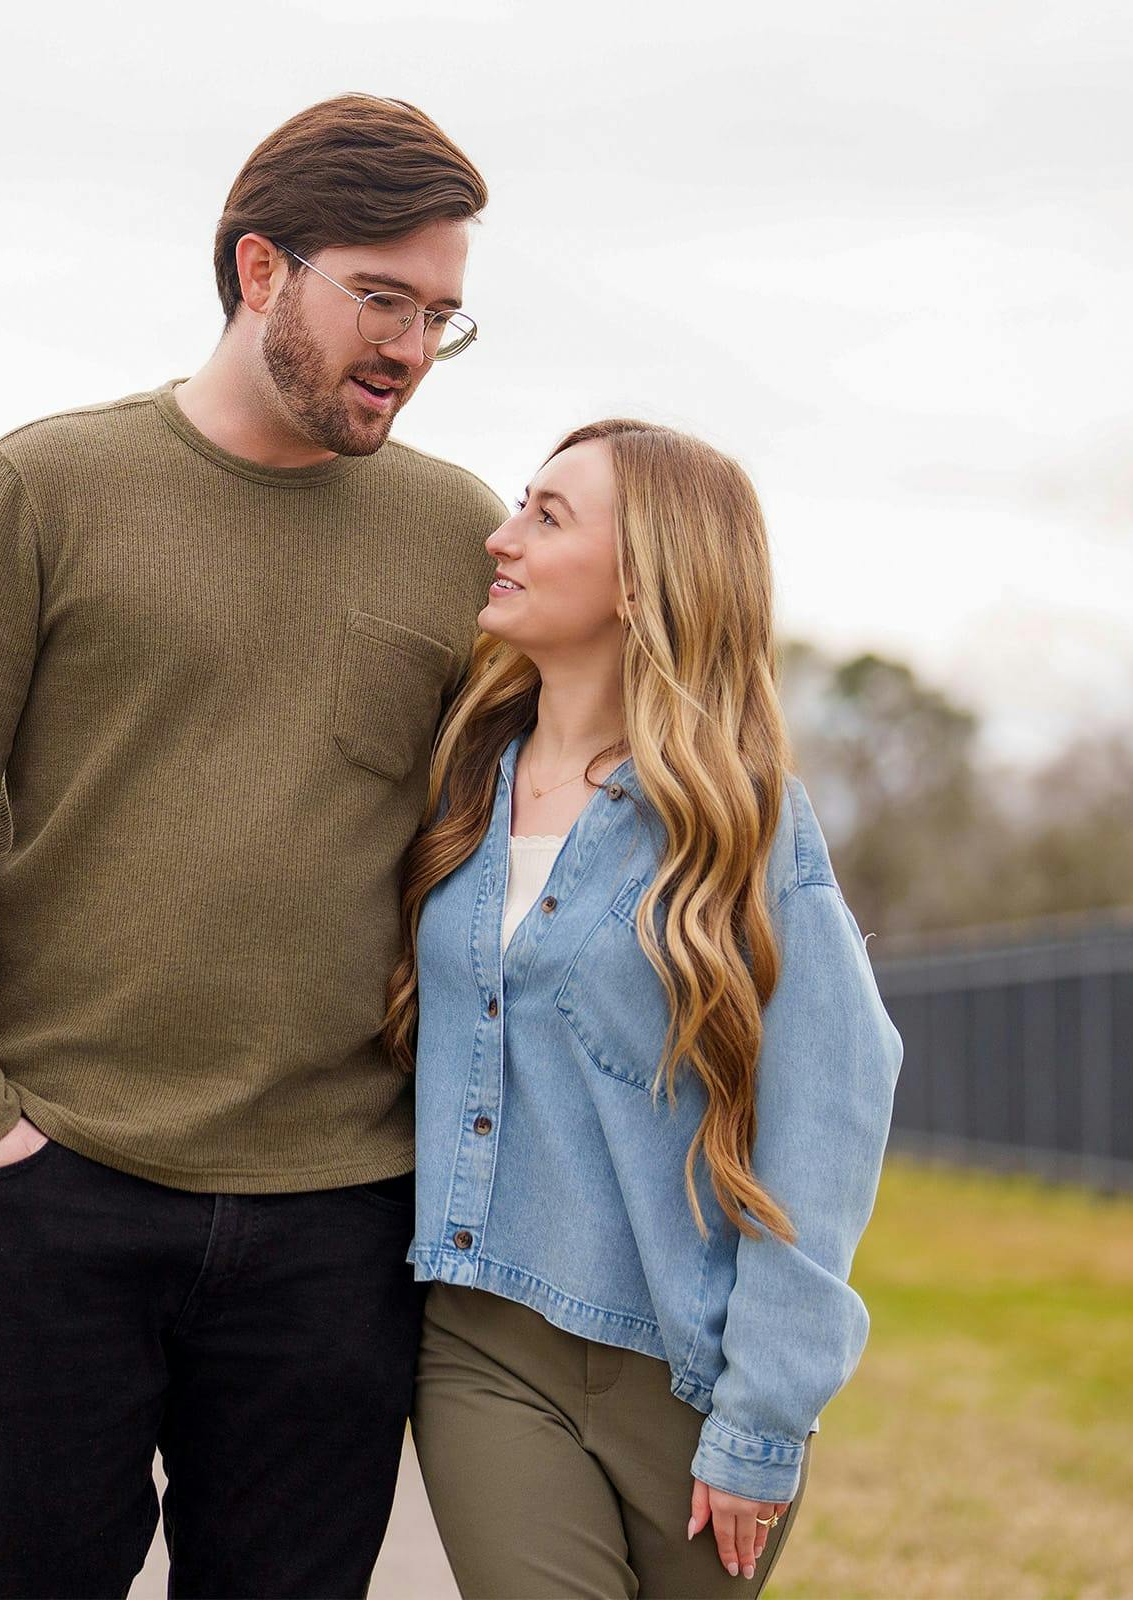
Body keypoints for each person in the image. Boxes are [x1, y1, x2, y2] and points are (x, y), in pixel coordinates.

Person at [0, 94, 504, 1599]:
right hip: (51, 1187)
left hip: (336, 1215)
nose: (407, 347)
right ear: (260, 270)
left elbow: (521, 825)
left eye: (442, 318)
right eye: (381, 299)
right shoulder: (41, 491)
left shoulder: (459, 533)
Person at [382, 419, 905, 1598]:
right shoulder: (461, 781)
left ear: (641, 579)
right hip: (482, 1344)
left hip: (693, 1374)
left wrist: (763, 1416)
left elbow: (825, 1116)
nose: (498, 535)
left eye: (546, 516)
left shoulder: (743, 824)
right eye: (520, 504)